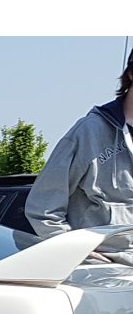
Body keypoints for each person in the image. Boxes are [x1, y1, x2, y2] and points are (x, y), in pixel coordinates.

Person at [26, 49, 133, 262]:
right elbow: (42, 209)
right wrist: (75, 252)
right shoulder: (89, 132)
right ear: (131, 74)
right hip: (105, 270)